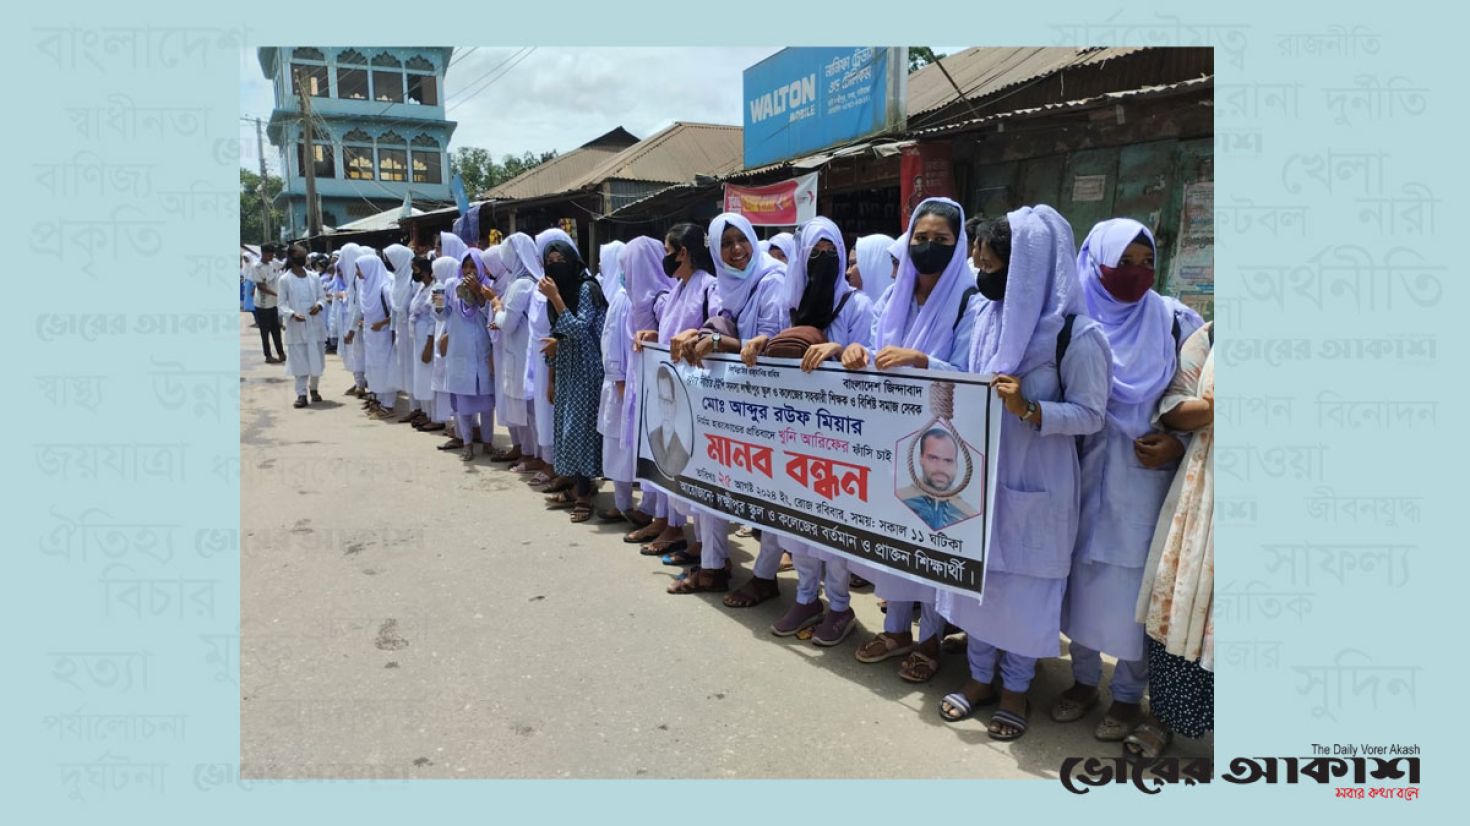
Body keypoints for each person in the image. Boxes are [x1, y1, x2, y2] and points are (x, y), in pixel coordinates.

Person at [931, 206, 1111, 742]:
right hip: (982, 478)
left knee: (1025, 595)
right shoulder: (988, 317)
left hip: (1040, 485)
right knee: (982, 585)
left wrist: (1032, 411)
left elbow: (1092, 413)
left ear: (1030, 266)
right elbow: (967, 383)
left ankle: (1015, 690)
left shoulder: (1075, 336)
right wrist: (920, 367)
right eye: (979, 262)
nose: (982, 274)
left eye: (993, 264)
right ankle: (981, 679)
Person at [1052, 217, 1203, 741]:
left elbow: (1191, 394)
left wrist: (1176, 444)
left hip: (1146, 479)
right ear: (1096, 264)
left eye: (1147, 264)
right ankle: (1083, 679)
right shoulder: (1070, 321)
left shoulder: (1173, 321)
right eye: (1124, 263)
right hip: (1080, 469)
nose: (1137, 274)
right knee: (1080, 579)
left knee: (1135, 592)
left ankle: (1126, 694)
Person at [838, 197, 975, 684]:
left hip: (945, 434)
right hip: (891, 429)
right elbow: (875, 349)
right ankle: (895, 627)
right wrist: (856, 351)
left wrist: (923, 362)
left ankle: (932, 636)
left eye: (940, 240)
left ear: (958, 246)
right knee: (893, 533)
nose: (928, 248)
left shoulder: (970, 298)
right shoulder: (894, 294)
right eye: (920, 238)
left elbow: (973, 375)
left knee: (936, 534)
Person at [751, 217, 874, 643]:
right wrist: (758, 346)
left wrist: (841, 350)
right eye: (815, 253)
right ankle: (806, 598)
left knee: (835, 523)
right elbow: (771, 353)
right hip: (792, 429)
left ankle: (840, 607)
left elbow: (870, 361)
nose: (824, 260)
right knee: (796, 517)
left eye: (832, 252)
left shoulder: (857, 305)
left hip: (840, 434)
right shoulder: (788, 306)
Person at [668, 213, 788, 598]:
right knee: (713, 478)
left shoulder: (772, 280)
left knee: (773, 491)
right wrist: (702, 332)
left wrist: (719, 344)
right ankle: (712, 566)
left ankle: (765, 576)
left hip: (769, 405)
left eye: (742, 240)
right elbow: (725, 322)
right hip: (729, 406)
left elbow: (769, 345)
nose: (737, 250)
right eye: (726, 243)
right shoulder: (727, 283)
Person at [1125, 321, 1214, 759]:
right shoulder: (1213, 338)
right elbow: (1174, 406)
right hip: (1205, 496)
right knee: (1181, 601)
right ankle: (1163, 716)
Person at [632, 223, 716, 564]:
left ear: (683, 252)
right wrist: (653, 337)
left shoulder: (708, 286)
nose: (666, 259)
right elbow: (670, 332)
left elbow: (715, 327)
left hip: (695, 390)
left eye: (669, 252)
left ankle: (705, 547)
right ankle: (691, 538)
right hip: (671, 390)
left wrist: (696, 332)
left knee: (695, 468)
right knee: (675, 466)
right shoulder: (679, 286)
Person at [621, 236, 684, 549]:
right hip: (643, 382)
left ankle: (670, 524)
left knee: (663, 455)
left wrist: (655, 336)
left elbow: (670, 338)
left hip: (660, 388)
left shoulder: (660, 297)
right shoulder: (639, 297)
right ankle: (658, 516)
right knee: (650, 451)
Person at [541, 238, 608, 521]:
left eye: (561, 261)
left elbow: (580, 329)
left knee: (580, 430)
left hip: (588, 367)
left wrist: (556, 297)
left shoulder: (586, 289)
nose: (556, 267)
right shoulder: (562, 292)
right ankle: (579, 484)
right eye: (550, 263)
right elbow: (556, 334)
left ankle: (583, 492)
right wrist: (552, 376)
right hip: (567, 367)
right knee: (567, 427)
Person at [593, 241, 644, 524]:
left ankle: (632, 506)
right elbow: (612, 347)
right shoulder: (623, 298)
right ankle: (624, 505)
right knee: (620, 449)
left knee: (627, 450)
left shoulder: (627, 297)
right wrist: (621, 384)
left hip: (627, 387)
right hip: (622, 388)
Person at [438, 248, 496, 460]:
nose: (469, 270)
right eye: (466, 265)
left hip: (482, 347)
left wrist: (478, 291)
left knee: (487, 400)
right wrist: (436, 304)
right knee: (463, 400)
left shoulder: (488, 286)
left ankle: (488, 442)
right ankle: (467, 443)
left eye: (473, 266)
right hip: (459, 347)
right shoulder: (450, 285)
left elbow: (489, 311)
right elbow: (442, 314)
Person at [491, 233, 542, 465]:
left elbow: (508, 324)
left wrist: (497, 307)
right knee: (523, 408)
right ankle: (528, 453)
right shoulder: (520, 282)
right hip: (518, 351)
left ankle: (534, 456)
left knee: (529, 410)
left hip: (522, 352)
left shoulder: (522, 284)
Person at [896, 428, 978, 531]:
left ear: (956, 464)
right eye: (933, 458)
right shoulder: (898, 500)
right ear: (921, 459)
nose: (941, 468)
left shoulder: (969, 515)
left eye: (948, 461)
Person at [431, 232, 470, 448]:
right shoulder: (441, 285)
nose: (437, 252)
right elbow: (439, 313)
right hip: (445, 333)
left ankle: (464, 433)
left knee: (460, 386)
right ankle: (458, 430)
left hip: (457, 339)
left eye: (440, 247)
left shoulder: (460, 283)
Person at [276, 243, 327, 408]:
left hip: (315, 324)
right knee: (299, 362)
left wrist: (318, 306)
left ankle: (314, 389)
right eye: (299, 255)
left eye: (304, 255)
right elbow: (281, 304)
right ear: (291, 258)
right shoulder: (284, 280)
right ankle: (301, 394)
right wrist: (291, 314)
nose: (303, 258)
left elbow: (322, 297)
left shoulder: (314, 277)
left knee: (316, 358)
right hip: (296, 326)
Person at [351, 252, 399, 419]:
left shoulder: (384, 288)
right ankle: (379, 400)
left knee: (386, 368)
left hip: (384, 336)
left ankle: (388, 405)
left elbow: (397, 313)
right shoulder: (366, 287)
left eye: (359, 269)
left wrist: (382, 323)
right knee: (374, 368)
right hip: (371, 336)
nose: (358, 273)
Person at [385, 243, 420, 424]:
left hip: (413, 333)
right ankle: (414, 407)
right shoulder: (396, 280)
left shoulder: (413, 282)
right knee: (406, 369)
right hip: (400, 332)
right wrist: (393, 332)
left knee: (416, 369)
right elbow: (394, 311)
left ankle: (422, 409)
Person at [407, 255, 438, 429]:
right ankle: (426, 413)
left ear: (426, 272)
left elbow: (435, 319)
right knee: (421, 378)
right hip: (418, 337)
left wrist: (429, 345)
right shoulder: (421, 288)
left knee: (429, 377)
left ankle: (435, 417)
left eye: (416, 269)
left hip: (427, 338)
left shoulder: (435, 290)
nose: (414, 273)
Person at [337, 244, 370, 398]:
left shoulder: (359, 278)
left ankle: (362, 385)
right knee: (358, 353)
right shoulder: (354, 278)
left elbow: (358, 305)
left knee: (360, 353)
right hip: (357, 321)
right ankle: (360, 382)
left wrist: (351, 328)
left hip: (360, 323)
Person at [250, 244, 286, 364]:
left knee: (276, 329)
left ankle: (281, 353)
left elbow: (285, 264)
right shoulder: (256, 267)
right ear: (264, 253)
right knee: (265, 331)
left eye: (273, 254)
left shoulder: (273, 262)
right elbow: (261, 287)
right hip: (262, 304)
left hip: (273, 303)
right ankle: (268, 355)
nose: (272, 256)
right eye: (270, 254)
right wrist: (278, 295)